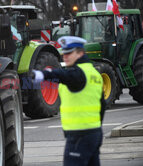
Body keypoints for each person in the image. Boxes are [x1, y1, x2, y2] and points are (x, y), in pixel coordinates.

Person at [32, 36, 106, 166]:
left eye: (69, 53)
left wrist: (44, 75)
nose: (65, 56)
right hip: (94, 134)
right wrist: (97, 128)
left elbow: (64, 75)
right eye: (64, 53)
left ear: (80, 53)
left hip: (79, 136)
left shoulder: (77, 74)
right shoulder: (93, 73)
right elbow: (102, 106)